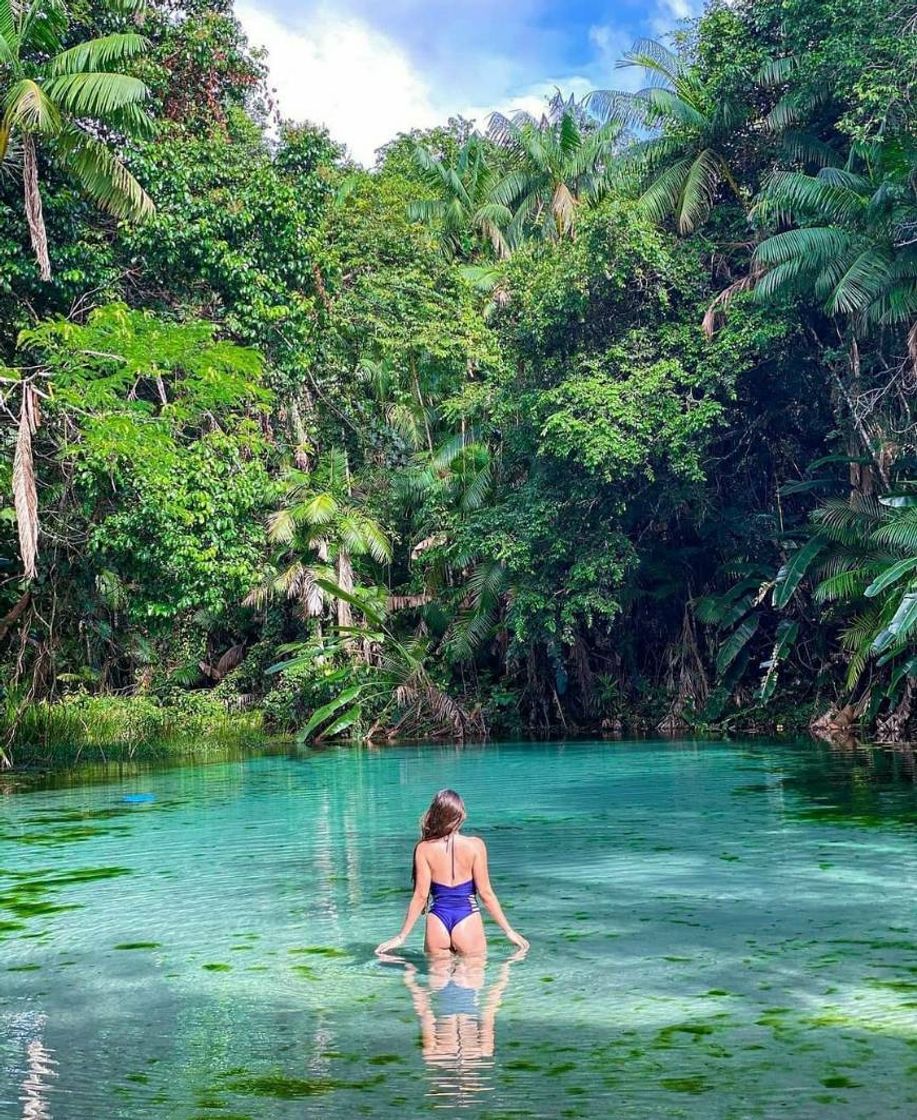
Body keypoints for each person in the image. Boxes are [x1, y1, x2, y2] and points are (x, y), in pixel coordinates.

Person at [374, 788, 529, 956]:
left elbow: (420, 896)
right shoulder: (476, 846)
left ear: (434, 815)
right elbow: (486, 894)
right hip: (467, 919)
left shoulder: (423, 849)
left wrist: (401, 936)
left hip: (437, 922)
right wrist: (508, 931)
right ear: (461, 815)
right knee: (472, 979)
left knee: (437, 982)